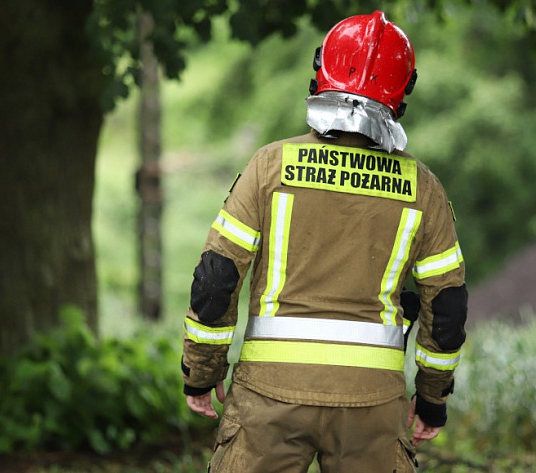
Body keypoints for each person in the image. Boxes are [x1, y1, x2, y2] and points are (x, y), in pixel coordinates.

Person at [181, 10, 467, 472]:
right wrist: (432, 400)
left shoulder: (270, 166)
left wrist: (202, 372)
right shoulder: (423, 188)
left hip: (267, 400)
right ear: (401, 95)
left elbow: (216, 281)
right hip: (372, 405)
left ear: (320, 75)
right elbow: (447, 307)